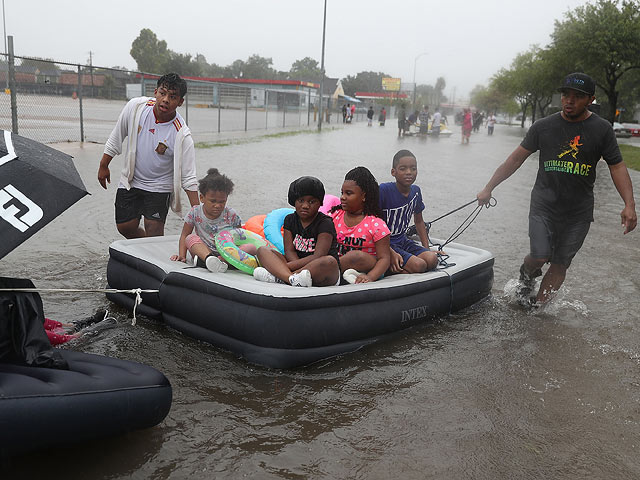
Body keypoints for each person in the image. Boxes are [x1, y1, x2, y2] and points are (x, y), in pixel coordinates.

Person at [477, 72, 637, 305]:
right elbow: (515, 160)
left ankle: (538, 309)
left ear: (590, 99)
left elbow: (617, 167)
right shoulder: (543, 126)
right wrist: (488, 188)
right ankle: (526, 275)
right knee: (540, 255)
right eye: (565, 95)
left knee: (561, 262)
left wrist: (629, 204)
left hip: (578, 212)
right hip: (544, 205)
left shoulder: (601, 129)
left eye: (577, 96)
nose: (569, 100)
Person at [98, 72, 199, 239]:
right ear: (155, 92)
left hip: (159, 185)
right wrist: (103, 165)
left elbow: (188, 177)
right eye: (163, 93)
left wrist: (198, 214)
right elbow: (117, 136)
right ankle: (145, 249)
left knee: (154, 229)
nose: (166, 99)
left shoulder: (182, 134)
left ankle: (153, 256)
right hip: (132, 179)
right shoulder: (136, 108)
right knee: (125, 226)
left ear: (180, 102)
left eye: (173, 96)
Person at [253, 177, 340, 287]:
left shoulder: (325, 223)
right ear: (294, 201)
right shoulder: (289, 220)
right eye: (301, 201)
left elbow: (318, 255)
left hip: (321, 270)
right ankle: (290, 279)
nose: (305, 206)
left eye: (311, 202)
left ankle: (280, 276)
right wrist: (296, 270)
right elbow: (289, 251)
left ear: (320, 203)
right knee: (263, 250)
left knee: (329, 261)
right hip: (296, 266)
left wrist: (285, 267)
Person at [170, 168, 243, 273]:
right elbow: (184, 235)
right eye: (213, 201)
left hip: (226, 253)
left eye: (222, 201)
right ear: (202, 198)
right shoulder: (195, 212)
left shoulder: (231, 214)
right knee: (190, 238)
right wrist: (182, 256)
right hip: (203, 251)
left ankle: (222, 262)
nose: (217, 205)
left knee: (249, 247)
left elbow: (240, 236)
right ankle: (209, 260)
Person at [379, 150, 439, 274]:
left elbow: (419, 221)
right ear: (393, 172)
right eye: (403, 169)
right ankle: (389, 269)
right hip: (386, 244)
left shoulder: (416, 192)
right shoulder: (383, 191)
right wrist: (390, 252)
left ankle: (401, 265)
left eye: (413, 168)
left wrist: (426, 249)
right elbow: (370, 222)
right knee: (419, 265)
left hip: (402, 240)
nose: (409, 173)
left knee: (432, 259)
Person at [330, 166, 391, 284]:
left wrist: (371, 277)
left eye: (349, 193)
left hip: (365, 267)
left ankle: (321, 270)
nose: (343, 197)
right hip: (336, 264)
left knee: (355, 256)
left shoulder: (376, 225)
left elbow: (384, 259)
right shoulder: (334, 216)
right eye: (342, 193)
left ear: (363, 196)